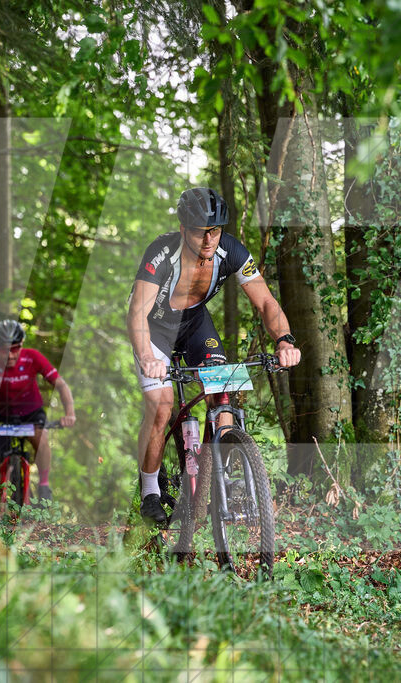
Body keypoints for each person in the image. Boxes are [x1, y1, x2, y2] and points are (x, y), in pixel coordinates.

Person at [126, 187, 302, 524]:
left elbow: (265, 301)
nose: (208, 240)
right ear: (182, 229)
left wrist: (284, 339)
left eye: (215, 231)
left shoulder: (232, 251)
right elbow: (136, 314)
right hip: (154, 329)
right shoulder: (161, 253)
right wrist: (148, 356)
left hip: (195, 325)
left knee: (223, 395)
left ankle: (223, 480)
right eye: (199, 231)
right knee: (161, 406)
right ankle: (150, 490)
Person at [0, 319, 76, 501]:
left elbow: (61, 385)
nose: (10, 355)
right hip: (4, 415)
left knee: (41, 439)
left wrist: (70, 413)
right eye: (4, 350)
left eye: (15, 348)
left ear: (22, 345)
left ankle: (43, 485)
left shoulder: (33, 356)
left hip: (32, 412)